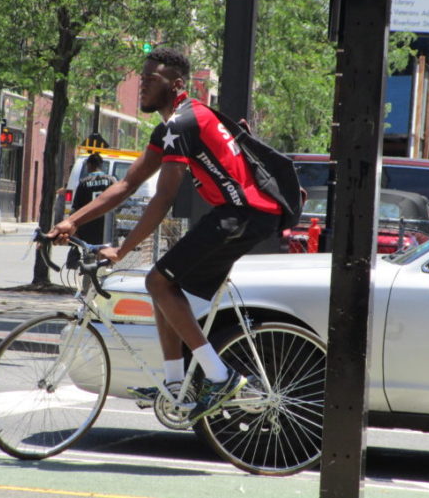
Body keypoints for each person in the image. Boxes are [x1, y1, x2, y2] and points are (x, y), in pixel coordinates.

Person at [47, 47, 281, 422]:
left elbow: (164, 197)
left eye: (150, 79)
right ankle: (176, 384)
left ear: (176, 85)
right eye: (140, 78)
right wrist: (72, 221)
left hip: (243, 215)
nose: (141, 85)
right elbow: (126, 184)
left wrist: (121, 250)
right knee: (163, 284)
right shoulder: (172, 127)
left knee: (158, 281)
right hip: (237, 214)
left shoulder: (184, 123)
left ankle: (219, 376)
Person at [70, 153, 117, 244]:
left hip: (87, 227)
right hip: (105, 227)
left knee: (82, 252)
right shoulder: (111, 181)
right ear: (101, 165)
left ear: (89, 164)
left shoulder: (84, 183)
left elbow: (75, 208)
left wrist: (73, 228)